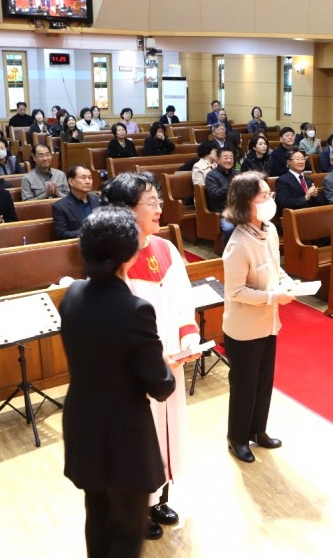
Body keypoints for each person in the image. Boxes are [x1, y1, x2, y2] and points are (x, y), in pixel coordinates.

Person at [59, 205, 176, 558]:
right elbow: (160, 385)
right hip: (122, 436)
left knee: (97, 519)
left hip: (82, 424)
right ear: (128, 253)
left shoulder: (73, 294)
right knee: (127, 531)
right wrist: (165, 364)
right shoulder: (134, 309)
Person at [100, 172, 201, 541]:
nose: (160, 208)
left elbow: (182, 299)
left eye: (159, 201)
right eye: (152, 203)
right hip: (136, 370)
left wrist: (188, 336)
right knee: (137, 436)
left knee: (167, 429)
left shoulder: (165, 248)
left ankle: (160, 496)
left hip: (169, 360)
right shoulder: (112, 258)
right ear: (127, 210)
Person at [222, 171, 294, 462]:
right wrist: (272, 297)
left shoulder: (270, 229)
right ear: (246, 203)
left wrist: (288, 282)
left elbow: (275, 268)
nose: (269, 200)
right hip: (244, 328)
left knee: (264, 381)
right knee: (244, 386)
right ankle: (237, 437)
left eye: (269, 194)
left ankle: (257, 431)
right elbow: (236, 291)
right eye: (263, 196)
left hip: (268, 322)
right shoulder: (238, 244)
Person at [52, 165, 100, 239]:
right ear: (71, 181)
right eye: (83, 178)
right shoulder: (60, 207)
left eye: (90, 178)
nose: (88, 181)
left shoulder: (98, 200)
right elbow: (62, 234)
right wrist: (88, 232)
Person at [205, 147, 238, 245]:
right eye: (225, 157)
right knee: (229, 228)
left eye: (231, 158)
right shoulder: (211, 175)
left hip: (238, 209)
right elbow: (214, 194)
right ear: (218, 159)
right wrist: (230, 185)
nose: (229, 160)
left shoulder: (236, 173)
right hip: (221, 210)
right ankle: (228, 251)